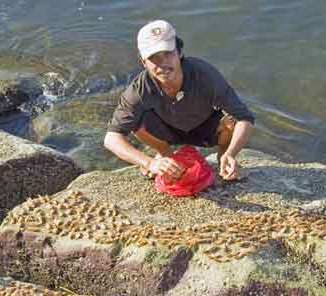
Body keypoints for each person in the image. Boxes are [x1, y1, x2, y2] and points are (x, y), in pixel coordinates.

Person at [104, 20, 254, 182]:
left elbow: (244, 118)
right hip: (166, 133)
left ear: (180, 52)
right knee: (136, 122)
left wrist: (231, 153)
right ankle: (164, 154)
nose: (162, 64)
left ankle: (223, 160)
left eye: (168, 53)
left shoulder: (205, 75)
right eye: (153, 57)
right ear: (143, 61)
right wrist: (149, 163)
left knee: (232, 119)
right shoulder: (138, 89)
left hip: (204, 129)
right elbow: (111, 138)